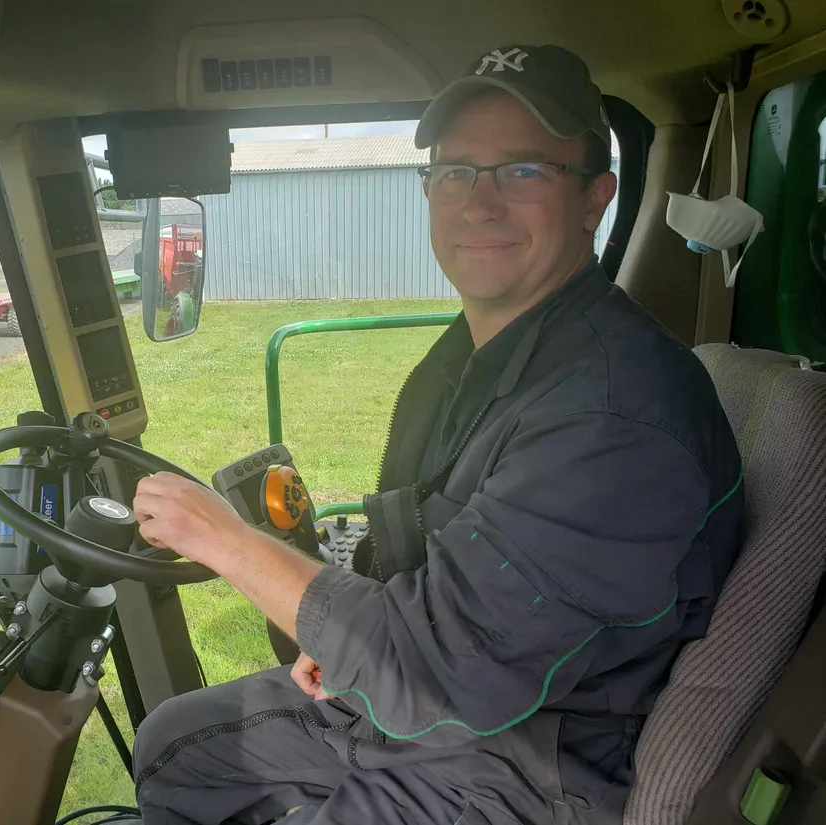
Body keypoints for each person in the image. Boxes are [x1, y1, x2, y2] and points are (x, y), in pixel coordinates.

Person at [129, 44, 744, 825]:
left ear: (595, 198)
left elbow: (442, 676)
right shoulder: (501, 354)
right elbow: (452, 564)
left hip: (522, 765)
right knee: (176, 748)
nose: (478, 204)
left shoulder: (614, 416)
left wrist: (222, 538)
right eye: (455, 171)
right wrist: (351, 631)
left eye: (522, 171)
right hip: (453, 712)